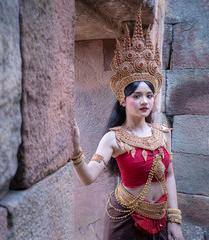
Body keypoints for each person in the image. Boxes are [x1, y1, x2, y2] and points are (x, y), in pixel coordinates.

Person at [71, 8, 183, 240]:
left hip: (161, 217)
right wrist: (75, 151)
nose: (145, 101)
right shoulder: (114, 138)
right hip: (125, 219)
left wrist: (175, 220)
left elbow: (169, 175)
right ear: (123, 99)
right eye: (137, 96)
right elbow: (88, 177)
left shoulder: (162, 133)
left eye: (149, 95)